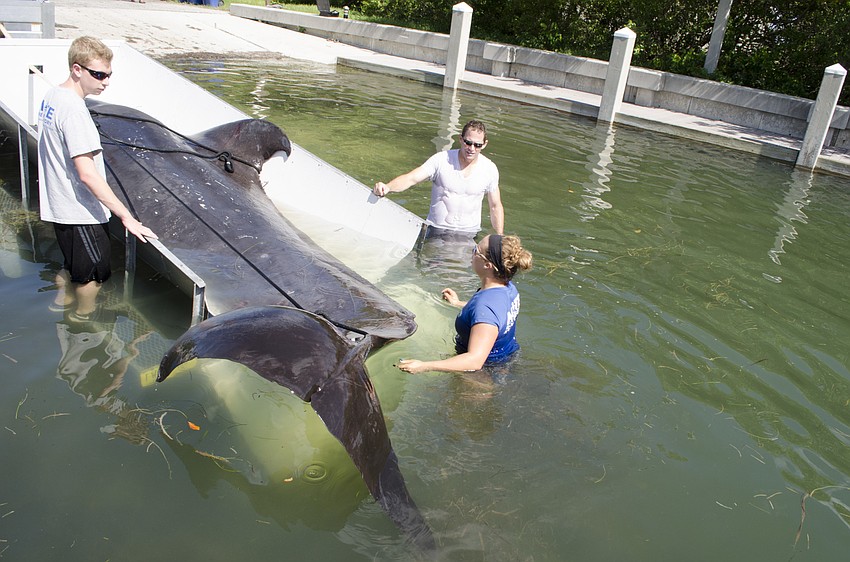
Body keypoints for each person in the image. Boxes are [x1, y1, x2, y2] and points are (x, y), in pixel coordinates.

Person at [38, 36, 156, 322]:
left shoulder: (53, 96)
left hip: (58, 205)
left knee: (71, 265)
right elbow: (87, 174)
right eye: (99, 75)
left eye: (108, 75)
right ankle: (84, 318)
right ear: (77, 69)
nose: (106, 82)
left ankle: (61, 302)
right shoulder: (75, 112)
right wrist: (126, 217)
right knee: (92, 275)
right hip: (80, 212)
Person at [397, 234, 533, 374]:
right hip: (507, 357)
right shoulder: (508, 288)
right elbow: (494, 313)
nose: (472, 253)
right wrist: (458, 303)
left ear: (487, 265)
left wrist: (424, 366)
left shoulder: (485, 308)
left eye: (476, 251)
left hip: (483, 374)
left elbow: (474, 361)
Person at [373, 119, 505, 236]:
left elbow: (495, 206)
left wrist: (499, 236)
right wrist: (388, 187)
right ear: (461, 139)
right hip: (436, 231)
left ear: (484, 144)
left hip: (469, 234)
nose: (472, 148)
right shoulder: (441, 160)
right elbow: (411, 178)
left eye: (477, 145)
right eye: (468, 142)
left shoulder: (489, 169)